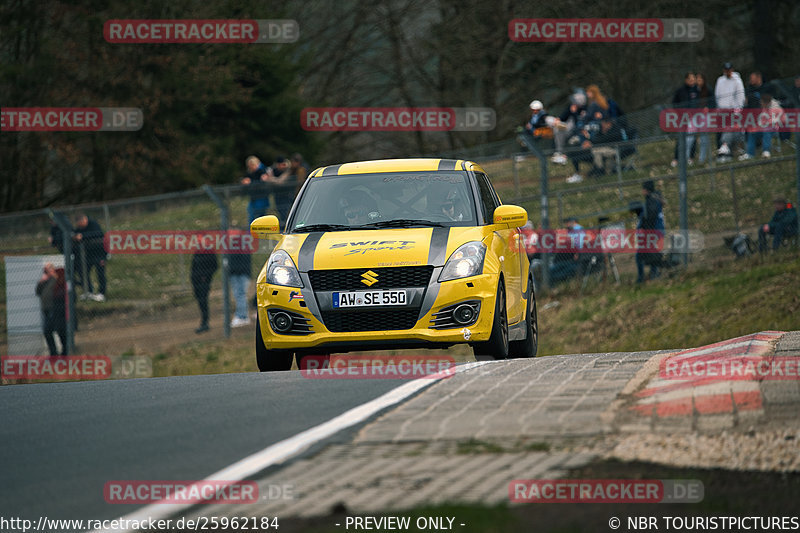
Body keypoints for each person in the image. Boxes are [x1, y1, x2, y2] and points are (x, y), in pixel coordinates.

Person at [714, 62, 746, 161]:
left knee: (730, 131)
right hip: (722, 109)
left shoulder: (737, 81)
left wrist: (738, 111)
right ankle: (722, 152)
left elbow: (740, 96)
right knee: (720, 131)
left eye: (729, 70)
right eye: (726, 70)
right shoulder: (720, 80)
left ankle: (729, 151)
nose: (727, 72)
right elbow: (717, 94)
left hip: (732, 110)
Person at [636, 180, 665, 284]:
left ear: (646, 190)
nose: (642, 191)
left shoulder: (652, 201)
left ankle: (642, 277)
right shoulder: (654, 199)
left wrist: (643, 229)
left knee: (641, 254)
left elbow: (650, 218)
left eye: (643, 189)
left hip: (654, 231)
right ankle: (653, 274)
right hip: (658, 230)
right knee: (653, 253)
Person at [73, 213, 106, 301]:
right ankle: (89, 291)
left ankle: (102, 293)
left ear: (84, 220)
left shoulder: (93, 224)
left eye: (81, 223)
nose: (80, 226)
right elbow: (75, 234)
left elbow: (97, 234)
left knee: (100, 273)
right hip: (88, 255)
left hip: (99, 253)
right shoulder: (79, 228)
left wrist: (83, 236)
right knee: (83, 272)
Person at [36, 263, 68, 356]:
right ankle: (53, 352)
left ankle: (64, 350)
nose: (46, 272)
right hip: (46, 309)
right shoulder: (44, 281)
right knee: (47, 331)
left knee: (59, 330)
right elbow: (38, 292)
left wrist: (53, 277)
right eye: (45, 270)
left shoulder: (57, 279)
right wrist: (41, 282)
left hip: (54, 308)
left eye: (48, 269)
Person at [550, 89, 587, 166]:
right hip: (568, 130)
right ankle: (559, 152)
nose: (574, 103)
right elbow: (564, 116)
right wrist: (558, 120)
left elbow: (579, 123)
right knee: (557, 129)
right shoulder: (571, 107)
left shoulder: (584, 110)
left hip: (578, 131)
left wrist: (574, 112)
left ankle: (561, 154)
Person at [740, 94, 782, 160]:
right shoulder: (763, 109)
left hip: (774, 128)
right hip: (764, 128)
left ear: (766, 102)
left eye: (761, 102)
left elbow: (778, 120)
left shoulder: (775, 107)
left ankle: (766, 151)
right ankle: (750, 154)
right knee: (752, 133)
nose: (761, 104)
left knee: (766, 131)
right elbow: (760, 120)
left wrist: (765, 124)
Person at [671, 72, 699, 167]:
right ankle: (677, 158)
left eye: (693, 79)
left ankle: (690, 157)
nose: (692, 81)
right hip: (683, 118)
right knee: (681, 138)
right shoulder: (680, 91)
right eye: (690, 79)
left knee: (692, 138)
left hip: (694, 118)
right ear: (686, 80)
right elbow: (674, 103)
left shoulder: (696, 90)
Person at [688, 73, 715, 164]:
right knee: (690, 137)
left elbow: (713, 103)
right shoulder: (692, 90)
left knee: (704, 138)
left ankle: (702, 159)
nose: (698, 81)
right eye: (697, 79)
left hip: (704, 116)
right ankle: (687, 158)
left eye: (700, 79)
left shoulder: (708, 90)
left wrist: (708, 108)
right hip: (694, 116)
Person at [228, 231, 252, 328]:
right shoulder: (238, 246)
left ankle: (242, 316)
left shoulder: (239, 245)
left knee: (240, 294)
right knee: (239, 295)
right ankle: (242, 315)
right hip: (237, 274)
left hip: (239, 274)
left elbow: (240, 263)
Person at [191, 251, 218, 333]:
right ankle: (204, 321)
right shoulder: (197, 251)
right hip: (195, 279)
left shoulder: (209, 251)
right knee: (199, 299)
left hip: (204, 281)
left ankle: (205, 322)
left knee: (203, 300)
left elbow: (215, 266)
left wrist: (206, 276)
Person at [241, 156, 272, 223]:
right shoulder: (249, 173)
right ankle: (251, 231)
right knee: (252, 215)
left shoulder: (262, 171)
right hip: (253, 198)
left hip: (262, 197)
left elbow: (263, 181)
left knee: (260, 217)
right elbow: (245, 180)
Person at [268, 156, 295, 227]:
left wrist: (273, 179)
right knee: (280, 212)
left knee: (287, 213)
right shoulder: (273, 170)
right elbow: (269, 178)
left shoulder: (288, 170)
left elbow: (280, 181)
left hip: (287, 196)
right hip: (278, 196)